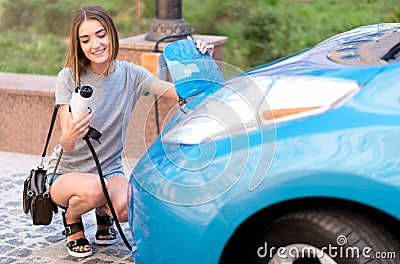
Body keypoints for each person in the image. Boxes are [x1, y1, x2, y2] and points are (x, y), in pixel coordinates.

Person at [46, 4, 214, 258]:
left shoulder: (131, 74)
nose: (95, 45)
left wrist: (200, 59)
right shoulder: (70, 77)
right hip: (66, 175)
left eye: (100, 35)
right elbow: (66, 144)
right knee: (94, 189)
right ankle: (72, 220)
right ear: (78, 44)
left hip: (109, 172)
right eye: (86, 39)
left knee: (131, 206)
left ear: (112, 34)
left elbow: (178, 92)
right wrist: (72, 133)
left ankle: (105, 214)